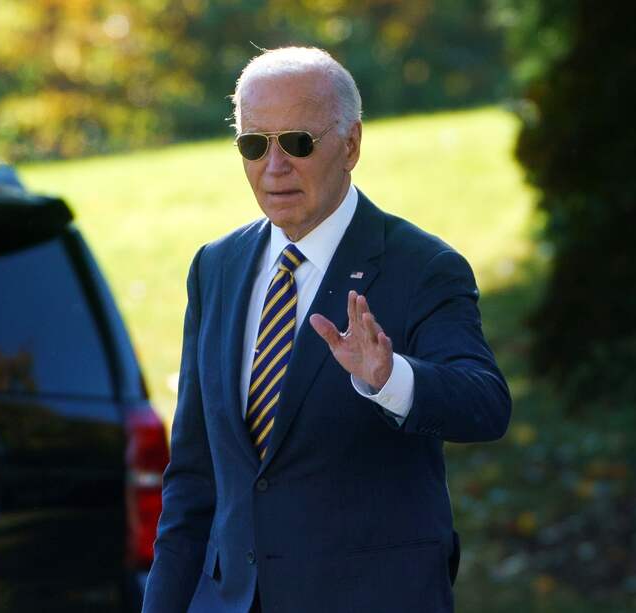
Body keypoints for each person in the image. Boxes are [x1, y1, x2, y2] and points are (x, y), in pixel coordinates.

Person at [142, 46, 511, 613]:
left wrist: (391, 378)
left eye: (297, 142)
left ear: (352, 144)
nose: (274, 166)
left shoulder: (420, 265)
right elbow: (193, 477)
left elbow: (486, 405)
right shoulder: (215, 267)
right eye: (253, 144)